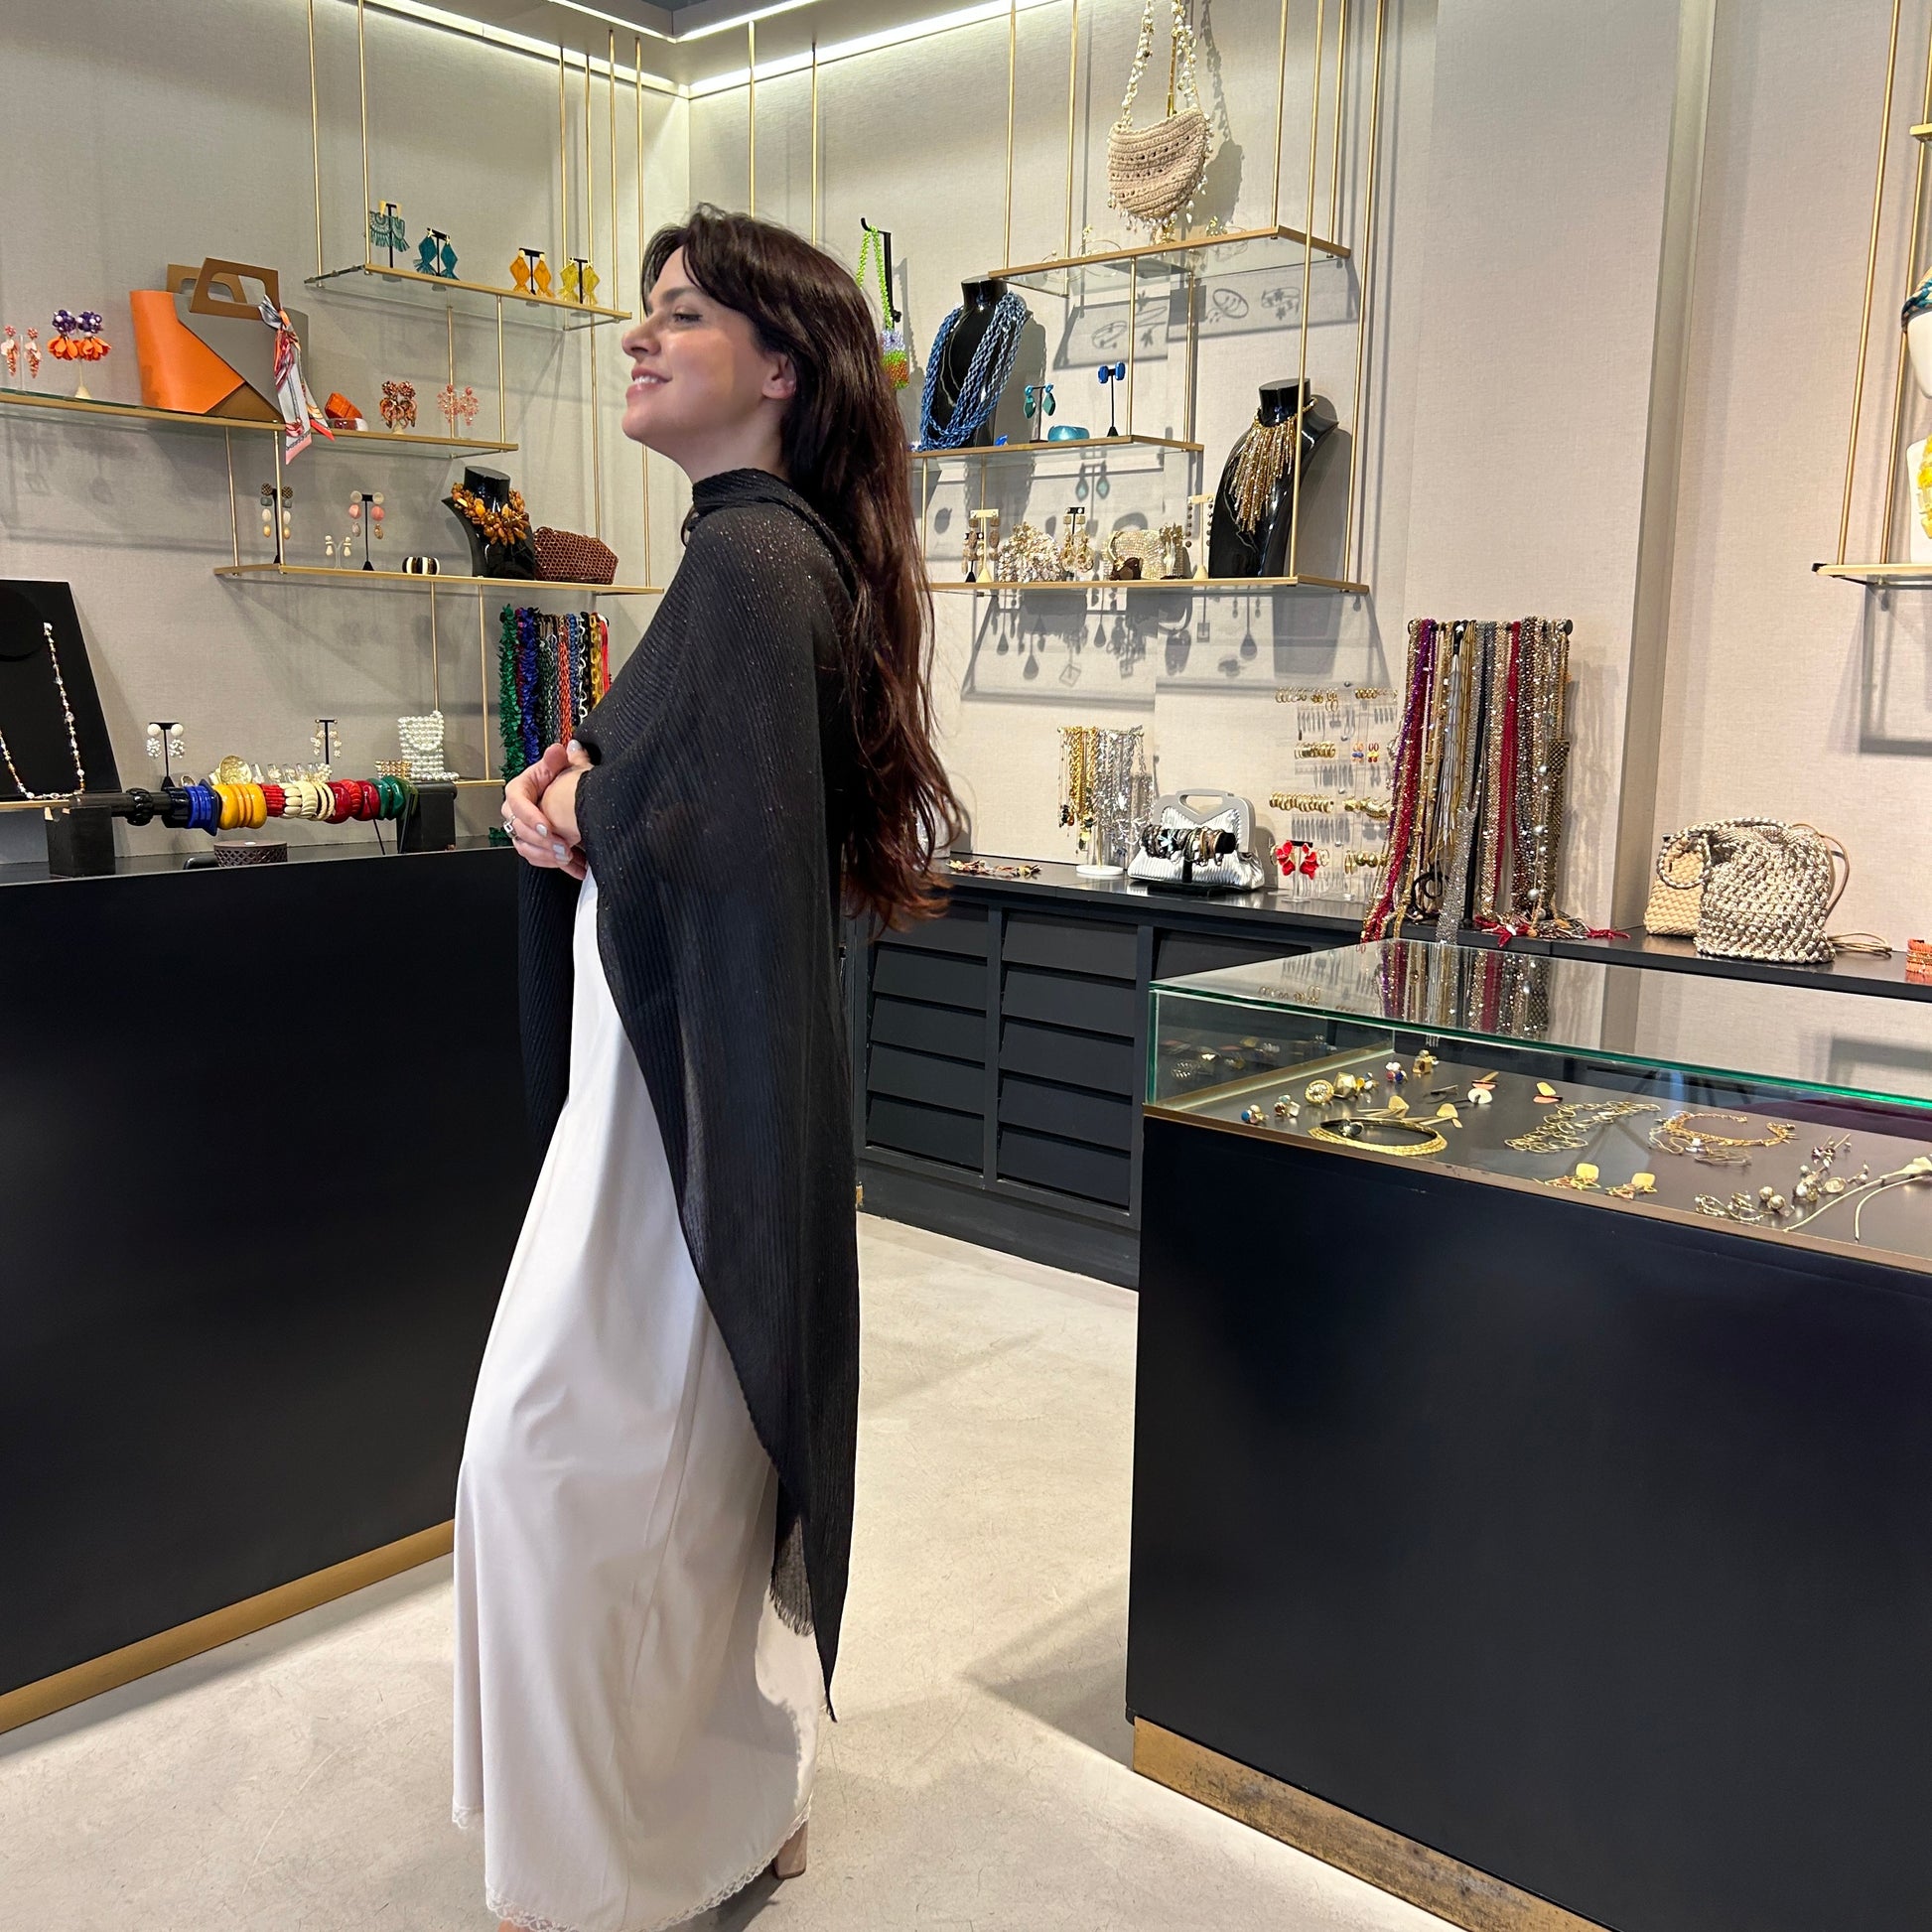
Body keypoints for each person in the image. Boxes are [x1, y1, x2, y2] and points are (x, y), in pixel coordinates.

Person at [452, 205, 962, 1932]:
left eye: (682, 314)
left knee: (553, 1467)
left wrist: (581, 801)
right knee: (631, 1477)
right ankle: (727, 1802)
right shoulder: (746, 558)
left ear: (781, 366)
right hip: (666, 1087)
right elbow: (667, 787)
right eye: (645, 311)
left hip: (680, 1108)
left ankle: (641, 1845)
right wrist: (572, 791)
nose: (641, 335)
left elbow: (711, 836)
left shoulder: (752, 566)